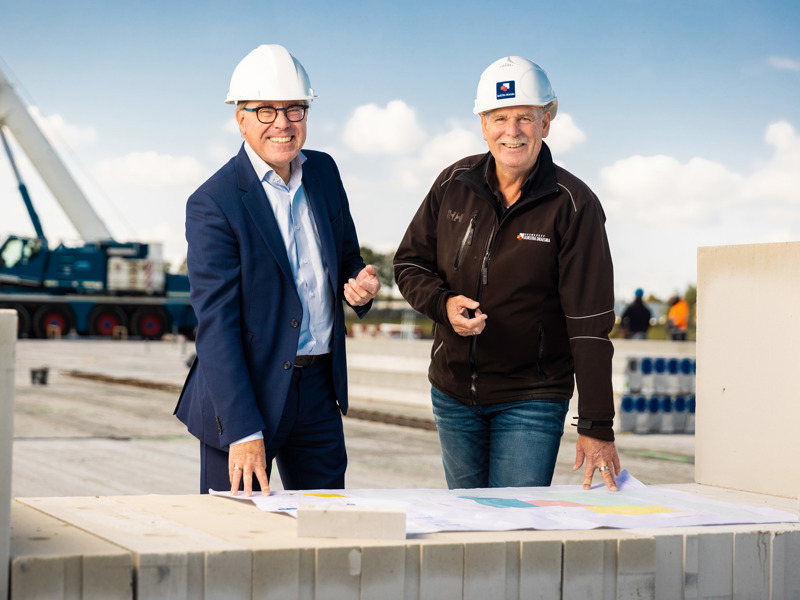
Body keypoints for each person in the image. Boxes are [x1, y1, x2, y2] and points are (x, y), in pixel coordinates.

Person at [394, 56, 620, 491]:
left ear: (546, 123)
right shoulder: (452, 183)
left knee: (516, 529)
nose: (512, 131)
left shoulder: (574, 205)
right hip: (453, 394)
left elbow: (590, 325)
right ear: (483, 124)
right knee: (467, 527)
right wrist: (443, 304)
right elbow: (408, 263)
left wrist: (596, 424)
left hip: (530, 400)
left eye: (525, 118)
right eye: (500, 118)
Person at [175, 45, 380, 496]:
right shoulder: (214, 203)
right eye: (265, 110)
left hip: (319, 392)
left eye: (294, 109)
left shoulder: (324, 172)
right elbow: (217, 326)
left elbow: (347, 258)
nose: (282, 123)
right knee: (236, 540)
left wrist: (359, 286)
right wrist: (243, 430)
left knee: (327, 532)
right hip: (246, 396)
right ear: (240, 118)